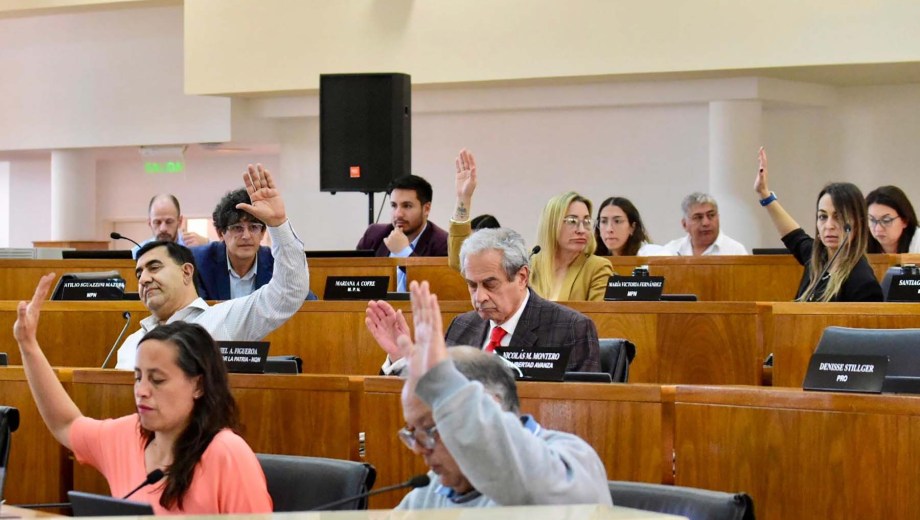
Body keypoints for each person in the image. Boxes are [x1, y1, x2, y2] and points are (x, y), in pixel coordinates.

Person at [13, 276, 272, 514]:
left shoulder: (227, 454)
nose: (142, 391)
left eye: (157, 380)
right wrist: (28, 346)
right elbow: (66, 424)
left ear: (198, 385)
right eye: (138, 377)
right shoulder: (127, 435)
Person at [392, 280, 612, 509]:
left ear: (491, 408)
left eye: (430, 430)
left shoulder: (571, 460)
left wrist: (445, 385)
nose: (419, 449)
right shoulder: (431, 491)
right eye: (412, 433)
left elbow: (530, 494)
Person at [114, 164, 310, 369]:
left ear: (187, 272)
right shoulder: (129, 345)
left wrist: (277, 224)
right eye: (139, 273)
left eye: (154, 268)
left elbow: (289, 292)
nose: (144, 278)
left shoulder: (221, 320)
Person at [367, 227, 601, 376]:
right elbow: (433, 398)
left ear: (521, 277)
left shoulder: (571, 328)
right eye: (472, 285)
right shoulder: (462, 326)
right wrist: (401, 357)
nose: (479, 298)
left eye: (490, 284)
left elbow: (583, 413)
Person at [447, 149, 613, 301]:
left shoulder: (597, 268)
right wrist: (464, 198)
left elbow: (597, 320)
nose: (582, 230)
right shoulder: (528, 262)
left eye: (586, 221)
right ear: (551, 225)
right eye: (572, 221)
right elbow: (461, 260)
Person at [755, 147, 882, 302]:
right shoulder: (818, 259)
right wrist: (764, 193)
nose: (829, 225)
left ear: (858, 222)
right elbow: (794, 235)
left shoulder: (862, 282)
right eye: (822, 216)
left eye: (839, 217)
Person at [191, 188, 317, 300]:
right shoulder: (199, 262)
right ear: (221, 233)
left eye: (253, 227)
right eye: (237, 228)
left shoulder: (276, 263)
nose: (246, 236)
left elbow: (310, 304)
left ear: (262, 233)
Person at [356, 174, 449, 292]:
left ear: (426, 209)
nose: (398, 214)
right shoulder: (374, 235)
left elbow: (441, 287)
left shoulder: (443, 243)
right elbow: (354, 276)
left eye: (407, 206)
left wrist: (404, 254)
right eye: (394, 205)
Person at [662, 192, 748, 256]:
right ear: (684, 224)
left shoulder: (735, 251)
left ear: (718, 218)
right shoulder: (671, 251)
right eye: (698, 217)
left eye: (711, 215)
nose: (706, 223)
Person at [132, 194, 208, 259]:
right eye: (157, 222)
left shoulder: (194, 245)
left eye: (169, 222)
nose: (163, 229)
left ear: (180, 221)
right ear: (149, 223)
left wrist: (206, 243)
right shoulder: (137, 253)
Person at [593, 196, 670, 256]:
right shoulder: (592, 260)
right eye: (604, 221)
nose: (609, 229)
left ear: (632, 227)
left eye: (617, 221)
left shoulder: (652, 254)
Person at [865, 185, 920, 254]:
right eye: (872, 220)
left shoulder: (918, 242)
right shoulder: (861, 245)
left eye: (886, 220)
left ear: (905, 220)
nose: (878, 229)